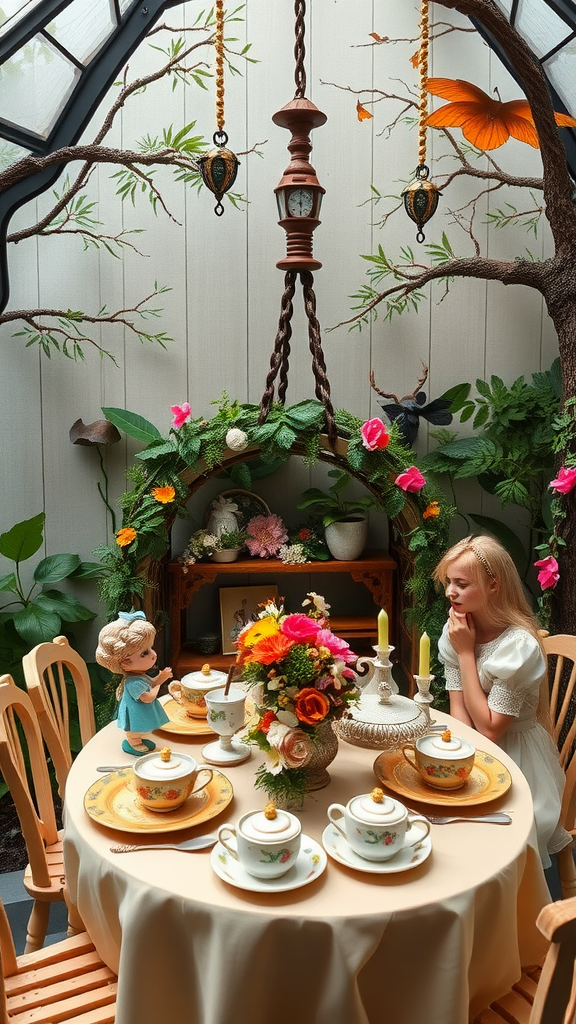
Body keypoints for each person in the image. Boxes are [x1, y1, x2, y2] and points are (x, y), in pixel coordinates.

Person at [433, 534, 571, 868]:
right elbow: (461, 718)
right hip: (474, 750)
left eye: (462, 583)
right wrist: (460, 767)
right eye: (450, 582)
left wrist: (467, 653)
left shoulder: (518, 646)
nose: (452, 591)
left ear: (494, 585)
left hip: (518, 762)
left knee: (481, 841)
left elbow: (492, 729)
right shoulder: (458, 629)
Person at [96, 610, 171, 756]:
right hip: (135, 714)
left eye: (151, 648)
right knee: (134, 730)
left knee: (141, 728)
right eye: (144, 653)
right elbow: (147, 697)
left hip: (141, 712)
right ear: (125, 664)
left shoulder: (140, 676)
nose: (153, 655)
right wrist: (158, 686)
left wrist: (162, 677)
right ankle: (133, 743)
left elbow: (152, 682)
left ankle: (138, 741)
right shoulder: (133, 682)